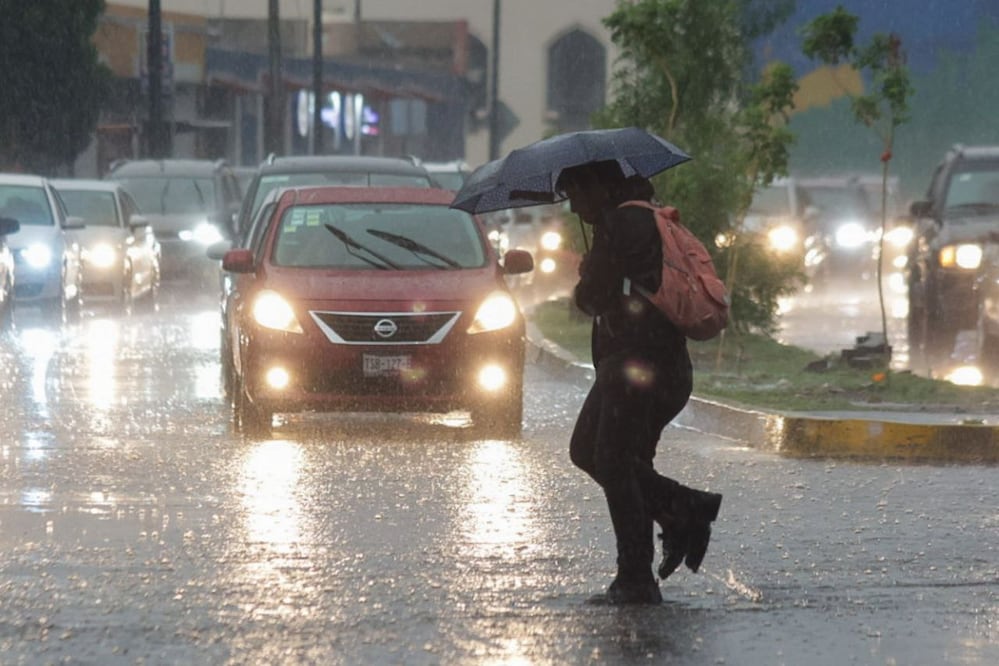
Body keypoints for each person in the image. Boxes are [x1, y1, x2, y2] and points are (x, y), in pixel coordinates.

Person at [558, 159, 722, 605]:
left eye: (575, 193)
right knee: (602, 455)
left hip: (637, 369)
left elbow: (593, 298)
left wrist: (589, 273)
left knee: (610, 460)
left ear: (597, 187)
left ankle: (637, 576)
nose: (573, 205)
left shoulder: (623, 223)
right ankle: (678, 516)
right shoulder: (642, 215)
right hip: (653, 369)